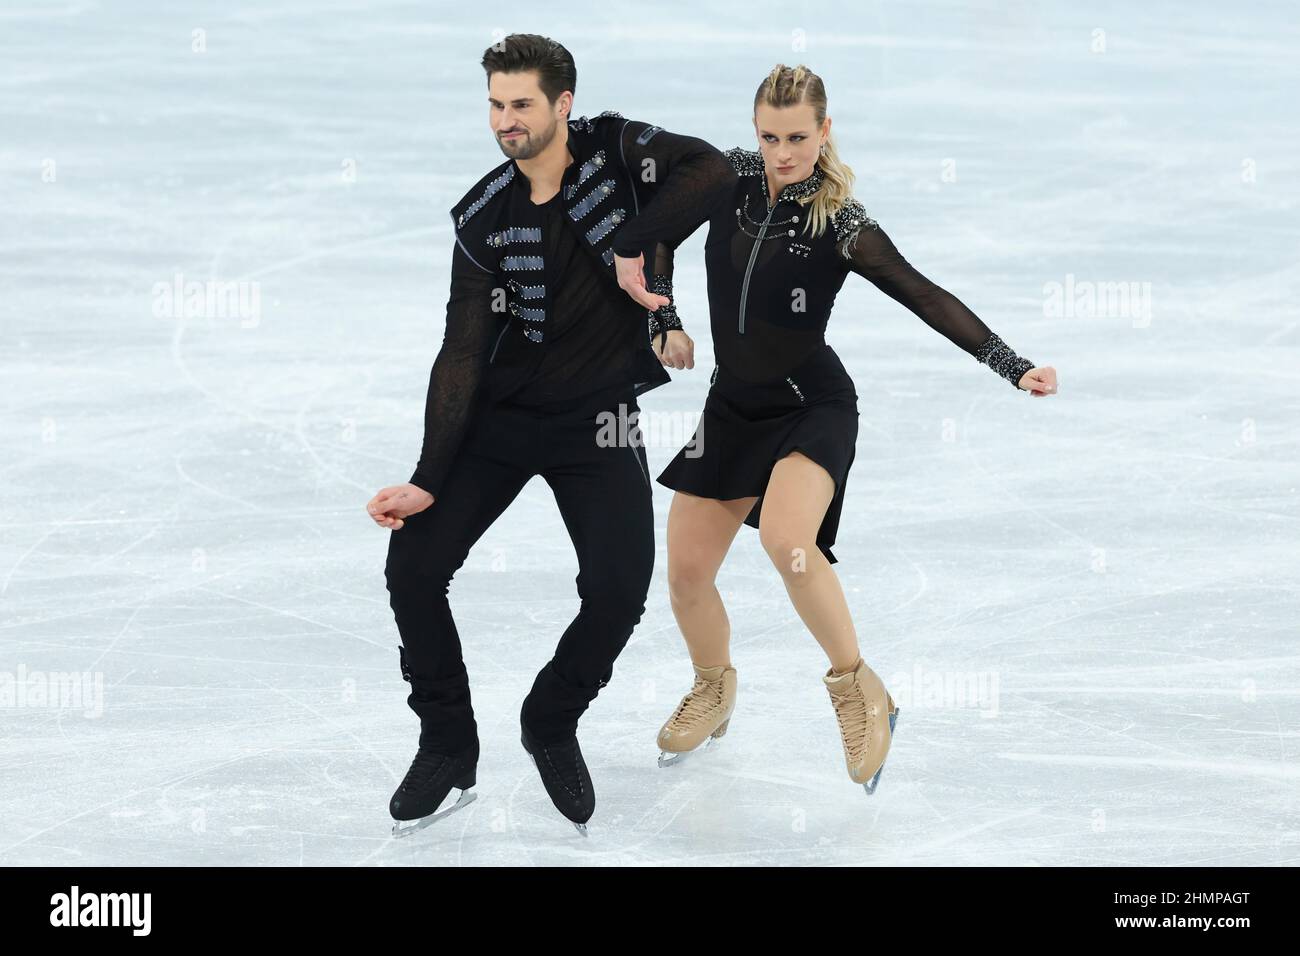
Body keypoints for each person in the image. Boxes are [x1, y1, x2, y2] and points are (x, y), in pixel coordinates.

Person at [651, 64, 1058, 794]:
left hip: (813, 405)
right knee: (683, 573)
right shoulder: (725, 180)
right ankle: (713, 686)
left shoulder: (840, 222)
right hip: (731, 408)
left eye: (798, 137)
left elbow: (924, 294)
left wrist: (1010, 363)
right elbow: (654, 237)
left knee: (789, 543)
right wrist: (665, 319)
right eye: (771, 136)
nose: (783, 152)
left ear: (825, 131)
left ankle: (859, 690)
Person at [365, 34, 728, 834]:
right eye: (496, 104)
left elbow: (716, 171)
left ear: (563, 104)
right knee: (413, 569)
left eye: (522, 104)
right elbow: (461, 350)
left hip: (596, 419)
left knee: (619, 588)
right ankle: (448, 745)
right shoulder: (484, 213)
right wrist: (429, 474)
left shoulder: (619, 149)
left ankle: (550, 719)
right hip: (499, 419)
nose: (506, 121)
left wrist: (634, 244)